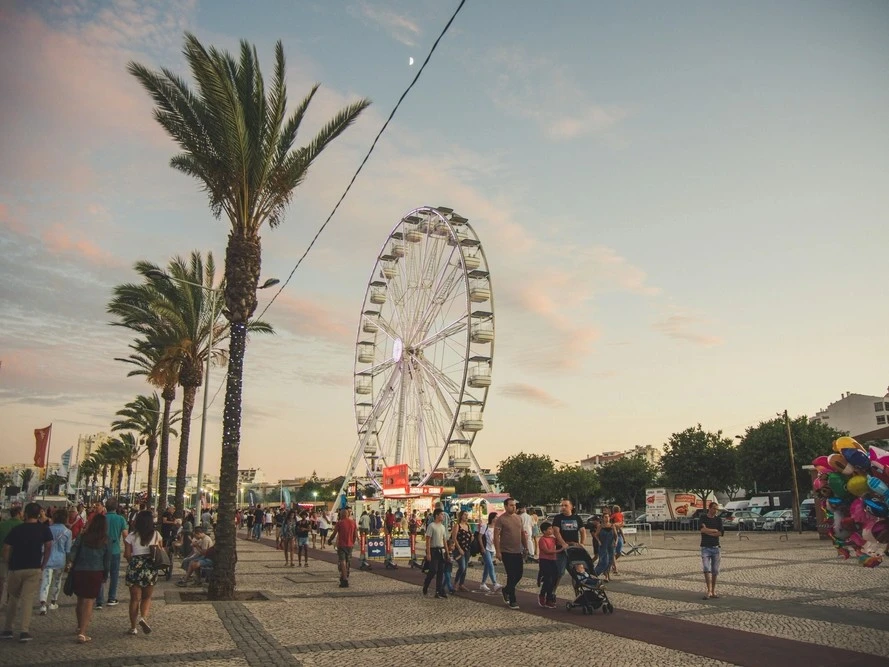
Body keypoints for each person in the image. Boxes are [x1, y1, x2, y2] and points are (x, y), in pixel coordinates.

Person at [1, 503, 53, 642]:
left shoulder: (17, 529)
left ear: (25, 513)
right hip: (34, 568)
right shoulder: (44, 529)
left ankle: (8, 629)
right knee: (28, 599)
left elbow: (6, 548)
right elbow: (49, 546)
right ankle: (24, 631)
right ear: (38, 514)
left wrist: (7, 561)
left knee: (13, 598)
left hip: (16, 567)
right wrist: (43, 564)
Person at [69, 512, 110, 644]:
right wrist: (105, 574)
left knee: (80, 599)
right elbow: (107, 560)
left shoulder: (83, 537)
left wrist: (70, 562)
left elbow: (74, 550)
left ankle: (79, 626)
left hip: (80, 570)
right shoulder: (105, 540)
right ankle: (82, 632)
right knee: (89, 601)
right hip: (95, 571)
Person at [123, 510, 162, 635]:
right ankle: (143, 618)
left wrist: (133, 562)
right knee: (147, 597)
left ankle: (133, 627)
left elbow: (127, 554)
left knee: (134, 599)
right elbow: (160, 551)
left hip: (135, 566)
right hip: (150, 567)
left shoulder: (131, 536)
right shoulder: (156, 535)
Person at [493, 497, 528, 610]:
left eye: (514, 505)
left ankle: (506, 589)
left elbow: (522, 533)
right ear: (505, 506)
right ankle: (512, 599)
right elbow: (496, 536)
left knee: (519, 574)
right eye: (511, 505)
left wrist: (526, 547)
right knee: (511, 574)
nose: (513, 507)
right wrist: (498, 551)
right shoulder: (501, 519)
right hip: (506, 551)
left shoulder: (518, 518)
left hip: (518, 550)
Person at [551, 499, 586, 602]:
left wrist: (582, 543)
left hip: (574, 548)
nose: (563, 507)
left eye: (565, 505)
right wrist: (563, 544)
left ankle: (578, 593)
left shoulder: (577, 518)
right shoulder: (558, 518)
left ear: (571, 507)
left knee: (577, 572)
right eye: (562, 505)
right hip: (562, 549)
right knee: (559, 572)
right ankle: (552, 592)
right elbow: (556, 532)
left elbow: (583, 531)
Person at [39, 508, 71, 615]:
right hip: (60, 560)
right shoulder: (68, 532)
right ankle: (53, 601)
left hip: (47, 559)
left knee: (45, 582)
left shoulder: (47, 529)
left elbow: (43, 546)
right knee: (57, 581)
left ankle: (43, 604)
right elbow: (68, 550)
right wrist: (68, 563)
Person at [422, 508, 448, 599]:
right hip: (433, 550)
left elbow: (444, 541)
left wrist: (447, 553)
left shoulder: (443, 527)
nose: (443, 516)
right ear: (437, 515)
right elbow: (428, 540)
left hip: (441, 550)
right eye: (441, 514)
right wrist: (428, 553)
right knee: (433, 570)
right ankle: (426, 584)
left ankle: (438, 591)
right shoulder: (431, 526)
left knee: (441, 571)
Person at [700, 502, 724, 599]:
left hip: (715, 548)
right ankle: (709, 590)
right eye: (714, 508)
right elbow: (702, 530)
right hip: (705, 547)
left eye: (716, 509)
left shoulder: (718, 519)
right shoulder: (703, 518)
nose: (715, 511)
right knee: (706, 568)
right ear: (709, 508)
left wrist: (709, 531)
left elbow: (720, 532)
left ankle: (713, 591)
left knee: (715, 570)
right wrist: (714, 530)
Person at [0, 506, 23, 608]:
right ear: (18, 513)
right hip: (17, 557)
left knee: (1, 580)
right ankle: (10, 601)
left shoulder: (2, 525)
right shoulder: (23, 526)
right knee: (13, 582)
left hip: (2, 556)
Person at [328, 508, 357, 587]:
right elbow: (355, 535)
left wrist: (330, 540)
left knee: (342, 561)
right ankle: (345, 574)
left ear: (341, 515)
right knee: (347, 560)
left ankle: (344, 579)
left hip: (342, 545)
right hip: (350, 545)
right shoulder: (353, 523)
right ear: (347, 514)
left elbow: (334, 533)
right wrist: (352, 542)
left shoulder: (340, 523)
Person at [477, 511, 501, 593]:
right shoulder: (485, 526)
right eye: (495, 517)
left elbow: (498, 538)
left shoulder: (497, 528)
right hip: (486, 548)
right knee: (490, 565)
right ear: (492, 518)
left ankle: (483, 583)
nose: (497, 519)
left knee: (487, 567)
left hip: (492, 549)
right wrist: (482, 547)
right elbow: (479, 537)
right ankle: (494, 583)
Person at [537, 521, 559, 608]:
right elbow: (547, 551)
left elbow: (559, 542)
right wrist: (558, 551)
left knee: (555, 578)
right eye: (549, 529)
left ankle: (549, 598)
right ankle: (542, 595)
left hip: (553, 560)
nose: (551, 530)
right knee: (548, 579)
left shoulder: (553, 538)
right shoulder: (542, 540)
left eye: (551, 528)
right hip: (544, 560)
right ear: (544, 531)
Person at [450, 510, 473, 593]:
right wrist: (459, 548)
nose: (466, 516)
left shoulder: (468, 525)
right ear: (461, 516)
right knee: (462, 566)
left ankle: (461, 584)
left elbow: (470, 535)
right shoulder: (457, 525)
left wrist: (472, 537)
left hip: (467, 549)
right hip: (459, 549)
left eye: (467, 515)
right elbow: (454, 538)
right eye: (465, 515)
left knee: (465, 568)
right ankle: (455, 583)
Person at [593, 507, 616, 581]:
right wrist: (599, 541)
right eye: (605, 517)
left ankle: (607, 575)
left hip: (610, 545)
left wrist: (616, 541)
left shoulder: (612, 526)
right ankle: (595, 573)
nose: (607, 518)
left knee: (610, 560)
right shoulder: (600, 526)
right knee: (604, 560)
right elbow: (596, 535)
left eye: (608, 517)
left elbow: (616, 535)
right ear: (603, 518)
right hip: (603, 545)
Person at [611, 505, 625, 574]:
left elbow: (622, 524)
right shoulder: (613, 516)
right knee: (613, 552)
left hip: (619, 534)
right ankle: (615, 567)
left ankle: (611, 562)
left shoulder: (620, 515)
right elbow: (612, 524)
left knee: (619, 552)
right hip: (613, 534)